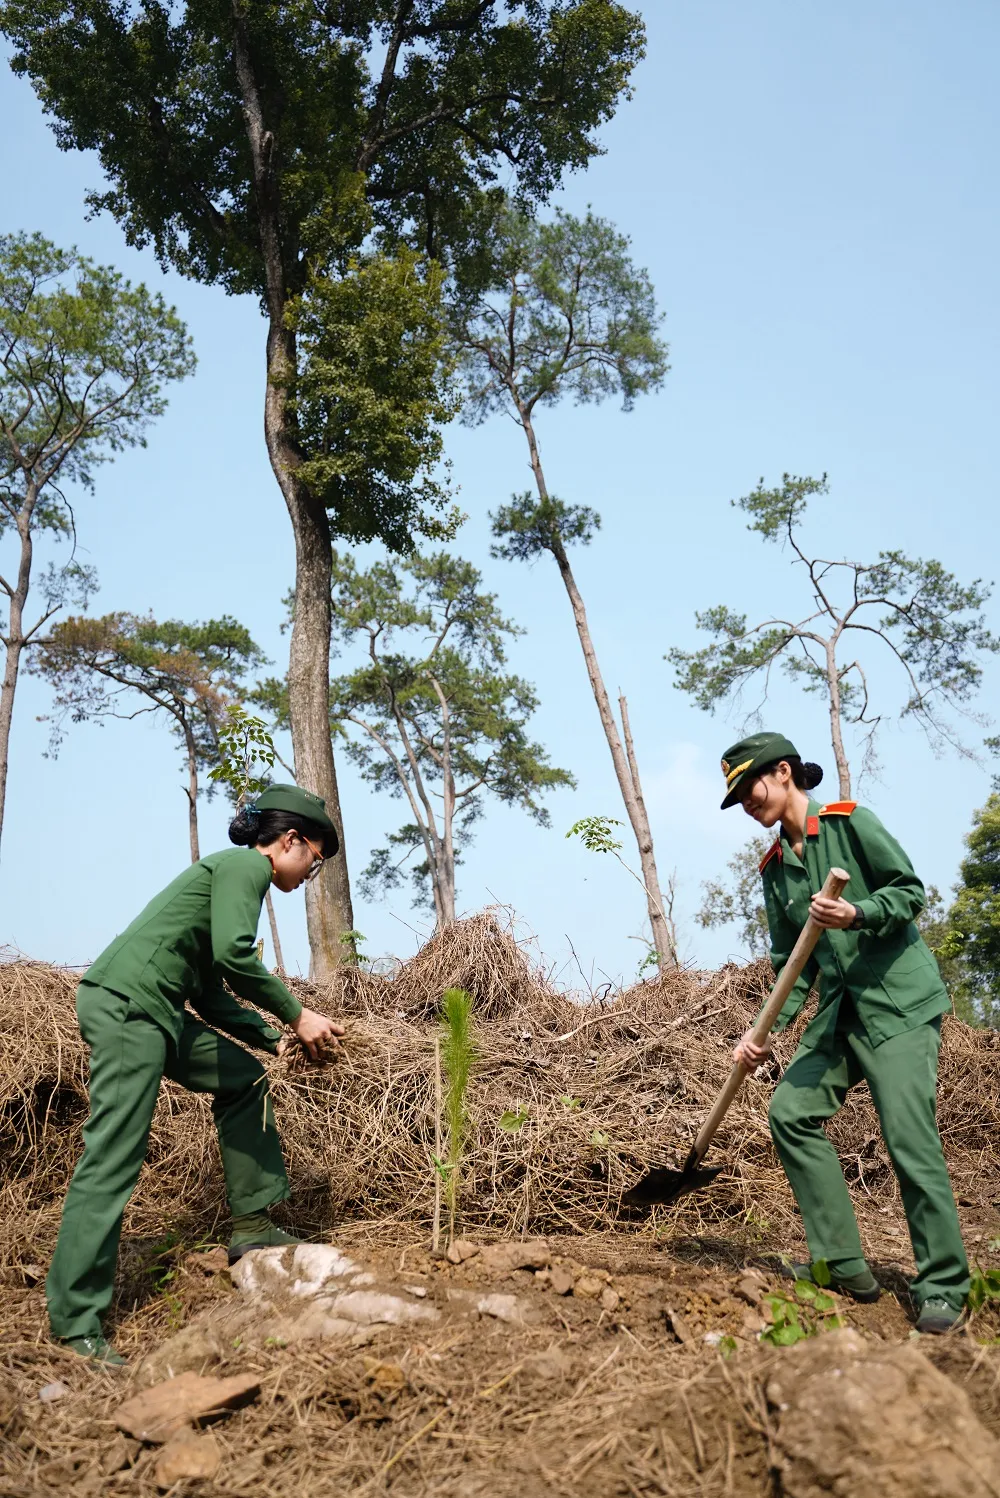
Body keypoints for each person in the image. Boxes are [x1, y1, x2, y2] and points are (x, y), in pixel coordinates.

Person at [46, 783, 346, 1366]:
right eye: (314, 859)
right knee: (114, 1155)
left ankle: (252, 1224)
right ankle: (76, 1323)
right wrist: (298, 1014)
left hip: (160, 1012)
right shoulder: (244, 867)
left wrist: (275, 1039)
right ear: (289, 841)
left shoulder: (232, 878)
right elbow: (236, 955)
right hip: (129, 1007)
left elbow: (210, 992)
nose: (311, 873)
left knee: (243, 1079)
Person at [723, 732, 969, 1334]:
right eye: (738, 798)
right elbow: (792, 963)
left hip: (897, 1003)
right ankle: (841, 1263)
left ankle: (943, 1284)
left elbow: (910, 891)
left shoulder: (850, 822)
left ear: (784, 773)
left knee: (908, 1140)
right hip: (840, 1011)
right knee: (790, 1113)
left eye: (751, 788)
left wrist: (858, 912)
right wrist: (763, 1033)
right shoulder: (774, 869)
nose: (747, 803)